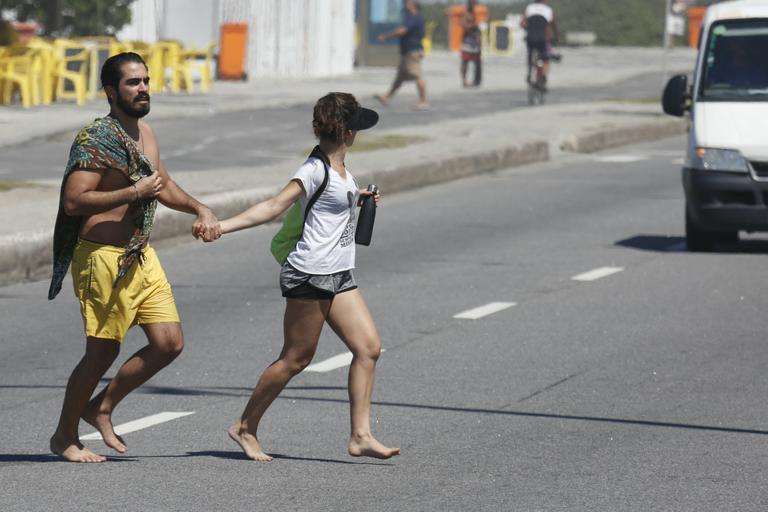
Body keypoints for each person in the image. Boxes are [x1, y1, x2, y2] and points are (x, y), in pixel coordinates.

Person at [48, 52, 221, 463]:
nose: (143, 88)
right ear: (111, 91)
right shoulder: (96, 139)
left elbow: (161, 185)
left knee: (169, 343)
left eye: (145, 80)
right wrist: (132, 192)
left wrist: (200, 208)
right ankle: (64, 436)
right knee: (102, 352)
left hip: (139, 254)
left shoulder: (146, 133)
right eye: (133, 82)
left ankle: (101, 407)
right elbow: (74, 201)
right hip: (101, 258)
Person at [216, 92, 400, 461]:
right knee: (295, 359)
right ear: (347, 132)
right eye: (356, 128)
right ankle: (244, 426)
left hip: (338, 273)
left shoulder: (342, 171)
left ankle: (360, 435)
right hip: (310, 274)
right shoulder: (313, 169)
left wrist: (357, 199)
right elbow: (273, 206)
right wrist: (221, 227)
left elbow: (328, 209)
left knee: (368, 348)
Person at [375, 0, 429, 110]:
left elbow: (401, 31)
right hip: (408, 52)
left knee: (417, 76)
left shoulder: (414, 18)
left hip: (412, 52)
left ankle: (424, 101)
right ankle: (387, 97)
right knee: (399, 78)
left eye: (408, 3)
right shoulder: (412, 17)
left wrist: (386, 36)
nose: (405, 5)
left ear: (413, 5)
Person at [520, 0, 557, 87]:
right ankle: (543, 76)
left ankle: (529, 72)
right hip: (543, 39)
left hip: (531, 38)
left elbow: (523, 23)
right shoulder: (548, 10)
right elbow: (552, 24)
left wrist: (528, 28)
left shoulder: (529, 8)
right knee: (546, 58)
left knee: (530, 53)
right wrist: (556, 36)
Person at [460, 0, 482, 88]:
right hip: (468, 41)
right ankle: (464, 81)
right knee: (465, 62)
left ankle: (476, 80)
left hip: (474, 42)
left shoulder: (474, 14)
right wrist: (473, 26)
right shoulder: (466, 14)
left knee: (477, 62)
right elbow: (464, 25)